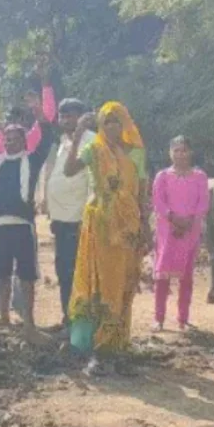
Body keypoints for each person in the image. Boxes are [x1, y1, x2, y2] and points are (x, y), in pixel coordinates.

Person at [64, 102, 150, 376]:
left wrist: (145, 228)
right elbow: (69, 170)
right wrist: (78, 134)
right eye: (107, 121)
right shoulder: (94, 149)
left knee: (122, 284)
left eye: (117, 121)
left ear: (125, 123)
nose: (112, 126)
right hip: (99, 228)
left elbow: (142, 194)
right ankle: (98, 349)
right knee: (100, 284)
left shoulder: (136, 154)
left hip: (127, 229)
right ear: (100, 125)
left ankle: (116, 344)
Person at [0, 97, 56, 344]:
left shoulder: (33, 161)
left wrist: (40, 115)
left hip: (23, 227)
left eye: (14, 139)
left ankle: (29, 323)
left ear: (24, 142)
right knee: (1, 274)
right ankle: (3, 316)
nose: (9, 142)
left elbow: (47, 140)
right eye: (6, 139)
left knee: (27, 276)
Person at [42, 99, 95, 334]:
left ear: (82, 116)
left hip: (78, 219)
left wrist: (88, 216)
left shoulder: (91, 141)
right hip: (61, 220)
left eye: (71, 116)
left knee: (76, 272)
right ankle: (68, 318)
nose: (66, 120)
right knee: (63, 271)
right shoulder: (64, 142)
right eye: (62, 116)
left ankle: (79, 323)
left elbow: (92, 182)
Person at [151, 136, 210, 331]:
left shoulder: (200, 177)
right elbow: (158, 202)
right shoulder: (162, 177)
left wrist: (189, 222)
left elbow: (203, 203)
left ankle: (182, 319)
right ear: (170, 153)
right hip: (168, 232)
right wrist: (173, 219)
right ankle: (158, 319)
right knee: (162, 277)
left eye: (183, 150)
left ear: (190, 152)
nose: (180, 154)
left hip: (190, 233)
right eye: (176, 150)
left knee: (186, 277)